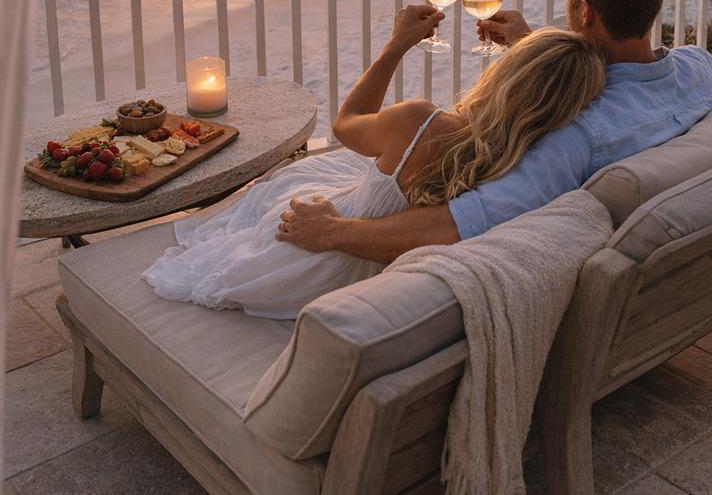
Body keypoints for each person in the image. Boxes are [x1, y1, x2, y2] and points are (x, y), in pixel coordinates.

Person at [276, 0, 712, 261]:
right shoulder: (702, 70)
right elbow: (625, 81)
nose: (569, 1)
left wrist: (333, 231)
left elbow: (458, 223)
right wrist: (533, 49)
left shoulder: (578, 135)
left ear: (586, 12)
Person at [142, 20, 605, 319]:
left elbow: (346, 124)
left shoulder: (422, 124)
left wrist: (397, 44)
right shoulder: (537, 158)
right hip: (385, 277)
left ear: (508, 73)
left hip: (326, 256)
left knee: (280, 188)